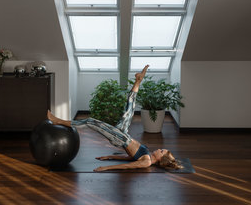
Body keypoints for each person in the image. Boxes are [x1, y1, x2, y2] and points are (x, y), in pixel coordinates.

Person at [47, 65, 182, 172]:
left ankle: (59, 121)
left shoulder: (147, 162)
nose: (160, 149)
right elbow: (129, 158)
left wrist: (106, 168)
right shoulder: (148, 157)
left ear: (161, 159)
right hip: (123, 133)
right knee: (130, 106)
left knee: (90, 121)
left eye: (162, 151)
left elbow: (127, 166)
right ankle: (138, 80)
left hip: (120, 138)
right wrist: (110, 157)